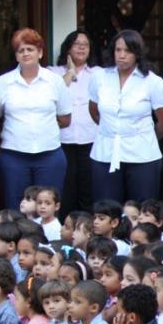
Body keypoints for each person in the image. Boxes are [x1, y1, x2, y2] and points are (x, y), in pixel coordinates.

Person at [89, 29, 163, 203]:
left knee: (142, 208)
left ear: (137, 53)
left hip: (142, 154)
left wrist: (144, 137)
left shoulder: (152, 81)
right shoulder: (100, 77)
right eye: (118, 50)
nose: (122, 55)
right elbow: (94, 111)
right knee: (107, 207)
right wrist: (112, 129)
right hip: (106, 152)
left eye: (127, 51)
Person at [0, 28, 72, 210]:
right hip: (13, 156)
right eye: (20, 50)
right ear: (16, 56)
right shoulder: (3, 82)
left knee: (47, 210)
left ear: (40, 52)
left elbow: (65, 118)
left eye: (30, 49)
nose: (26, 53)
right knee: (16, 209)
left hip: (49, 155)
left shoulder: (55, 81)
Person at [49, 30, 100, 216]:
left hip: (91, 139)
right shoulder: (53, 73)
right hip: (63, 140)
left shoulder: (98, 74)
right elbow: (53, 95)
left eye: (85, 45)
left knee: (88, 190)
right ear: (68, 47)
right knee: (66, 191)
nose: (81, 48)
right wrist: (70, 73)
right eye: (77, 44)